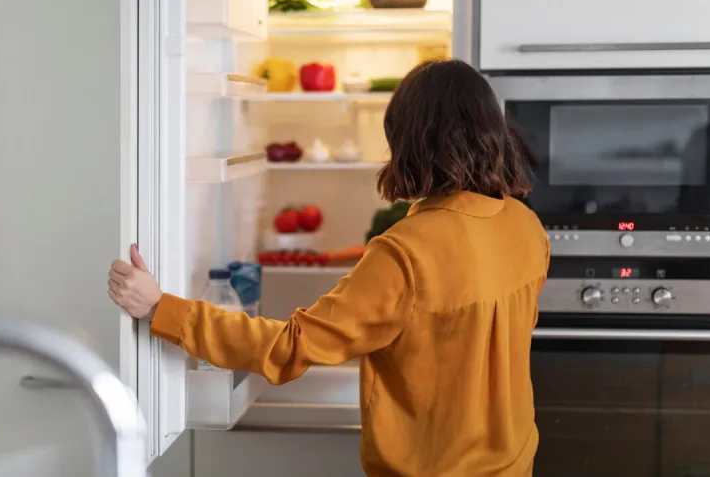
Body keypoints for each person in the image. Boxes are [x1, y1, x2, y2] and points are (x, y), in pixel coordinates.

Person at [108, 59, 550, 476]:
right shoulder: (525, 226)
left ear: (409, 141)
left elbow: (290, 348)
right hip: (514, 464)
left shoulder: (406, 253)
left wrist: (160, 308)